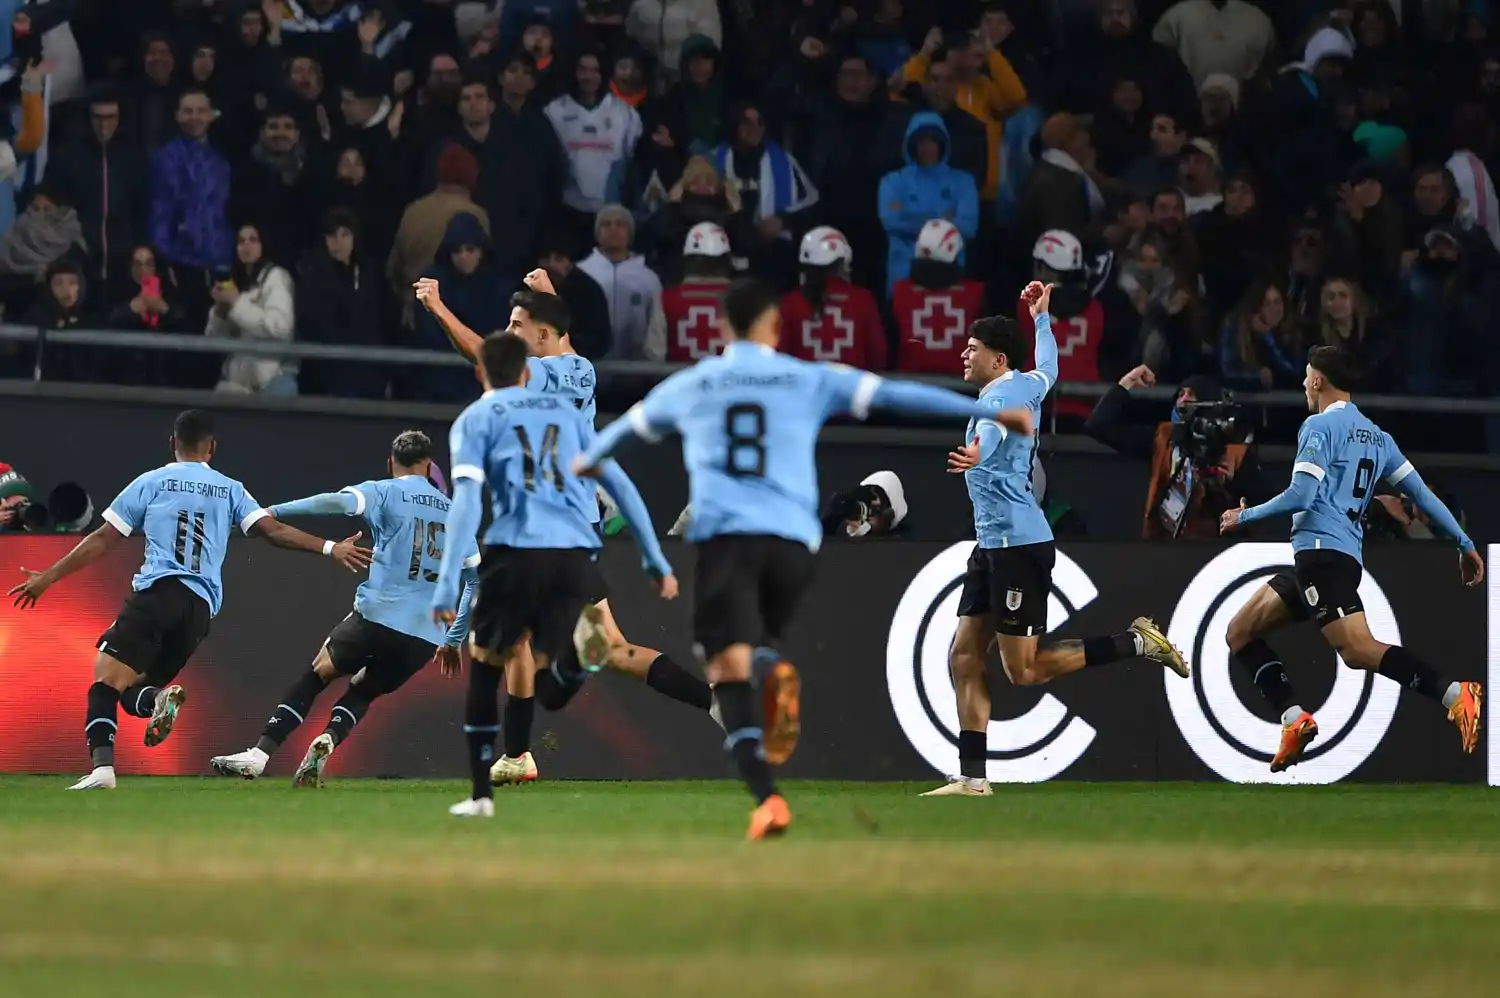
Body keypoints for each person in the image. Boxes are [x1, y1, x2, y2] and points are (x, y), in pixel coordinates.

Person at [574, 277, 1022, 839]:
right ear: (773, 326)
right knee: (752, 649)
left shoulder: (696, 382)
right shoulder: (806, 377)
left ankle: (765, 726)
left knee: (725, 671)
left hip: (727, 542)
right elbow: (895, 394)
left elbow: (627, 432)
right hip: (793, 546)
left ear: (720, 327)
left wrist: (584, 460)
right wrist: (988, 411)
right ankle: (768, 762)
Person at [414, 273, 718, 776]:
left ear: (539, 337)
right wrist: (550, 294)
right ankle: (711, 701)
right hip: (580, 531)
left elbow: (485, 359)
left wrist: (438, 308)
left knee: (512, 647)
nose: (506, 335)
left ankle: (519, 750)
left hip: (540, 533)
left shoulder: (531, 381)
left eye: (516, 325)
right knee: (601, 650)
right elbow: (557, 337)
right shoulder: (581, 371)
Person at [7, 410, 373, 791]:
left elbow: (102, 538)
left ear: (172, 444)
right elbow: (273, 530)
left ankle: (102, 770)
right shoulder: (231, 488)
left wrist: (48, 577)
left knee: (104, 682)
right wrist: (329, 547)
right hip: (198, 612)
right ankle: (158, 699)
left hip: (158, 594)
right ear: (212, 448)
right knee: (133, 689)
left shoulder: (152, 482)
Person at [931, 283, 1188, 797]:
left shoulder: (1001, 397)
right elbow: (1050, 368)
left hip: (1018, 548)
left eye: (973, 348)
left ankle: (1137, 642)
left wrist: (978, 453)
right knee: (963, 656)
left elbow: (997, 431)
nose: (964, 352)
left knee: (1023, 671)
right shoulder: (1026, 382)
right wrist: (1042, 319)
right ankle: (973, 778)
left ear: (997, 357)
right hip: (994, 546)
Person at [434, 333, 674, 818]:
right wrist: (654, 556)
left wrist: (445, 582)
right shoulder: (569, 416)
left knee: (486, 664)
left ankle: (481, 795)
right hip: (572, 553)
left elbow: (465, 503)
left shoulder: (474, 420)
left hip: (514, 551)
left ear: (481, 373)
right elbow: (621, 487)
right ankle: (575, 666)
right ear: (527, 373)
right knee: (547, 675)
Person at [1219, 346, 1484, 772]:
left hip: (1323, 558)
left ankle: (1455, 694)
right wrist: (1462, 540)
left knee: (1358, 650)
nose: (1305, 384)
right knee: (1240, 632)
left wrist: (1243, 515)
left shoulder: (1319, 427)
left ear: (1319, 380)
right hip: (1328, 561)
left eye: (1307, 376)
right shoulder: (1379, 438)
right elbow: (1421, 495)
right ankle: (1294, 719)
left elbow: (1302, 494)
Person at [210, 432, 478, 786]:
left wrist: (272, 512)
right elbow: (475, 581)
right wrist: (453, 639)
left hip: (378, 616)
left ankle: (258, 755)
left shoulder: (385, 491)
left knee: (318, 674)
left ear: (390, 464)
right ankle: (328, 739)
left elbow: (334, 503)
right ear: (430, 466)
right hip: (425, 636)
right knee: (364, 691)